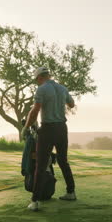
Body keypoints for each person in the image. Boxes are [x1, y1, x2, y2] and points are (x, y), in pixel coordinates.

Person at [21, 66, 76, 211]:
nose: (37, 83)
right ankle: (71, 192)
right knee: (63, 161)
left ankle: (35, 201)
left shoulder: (42, 89)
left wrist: (25, 127)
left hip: (47, 129)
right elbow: (71, 104)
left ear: (39, 77)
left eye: (36, 80)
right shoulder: (62, 88)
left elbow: (35, 111)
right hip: (62, 129)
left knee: (40, 164)